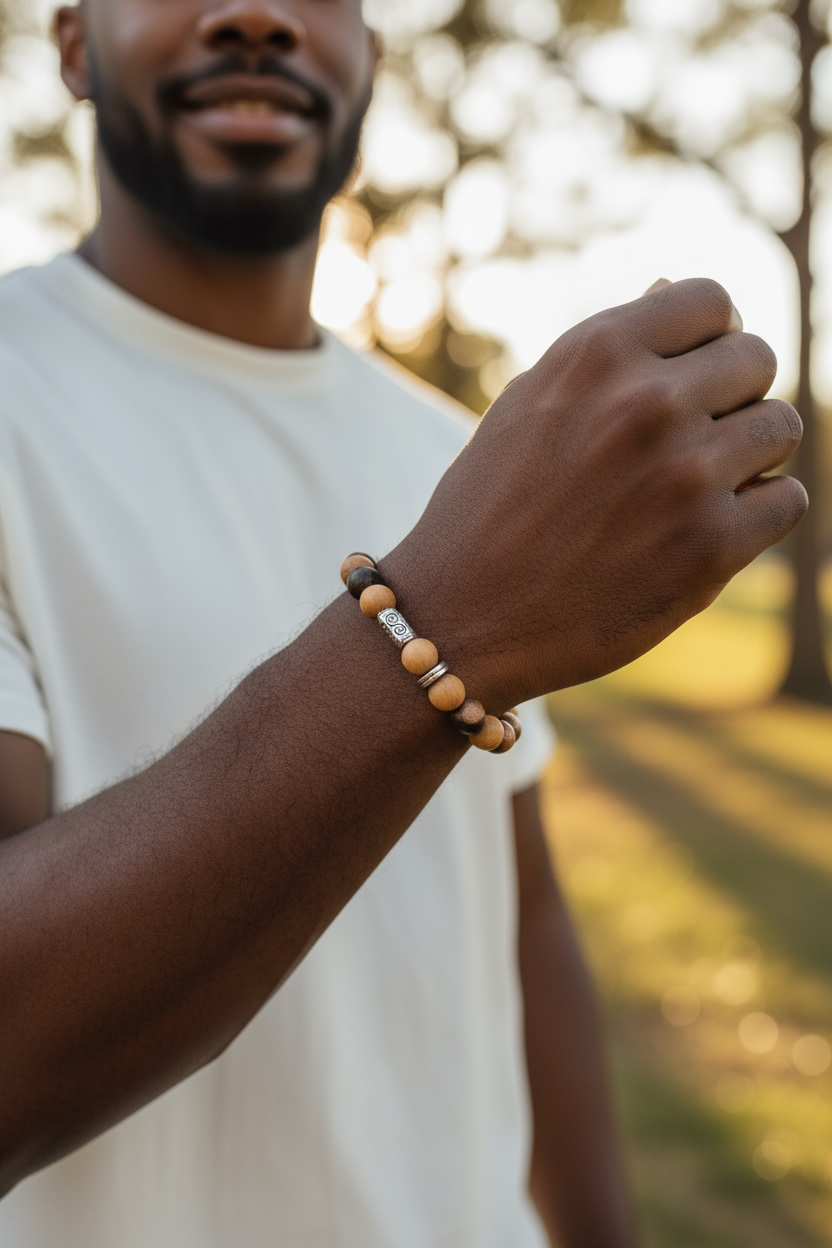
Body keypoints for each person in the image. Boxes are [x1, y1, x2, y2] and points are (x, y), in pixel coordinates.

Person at [0, 1, 806, 1245]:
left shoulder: (461, 449)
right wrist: (447, 623)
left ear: (368, 61)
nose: (257, 15)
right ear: (69, 45)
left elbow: (516, 913)